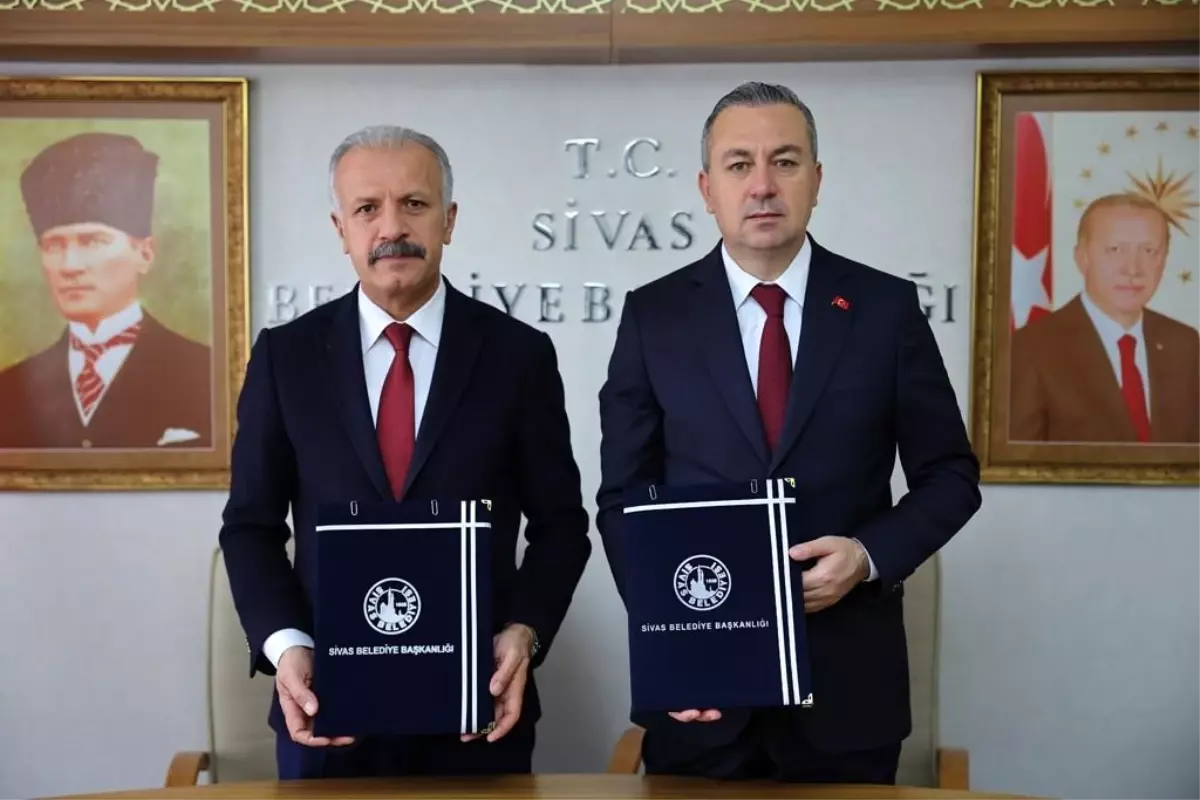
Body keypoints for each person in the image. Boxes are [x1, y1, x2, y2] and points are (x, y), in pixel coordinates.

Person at [596, 82, 982, 784]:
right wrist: (667, 638)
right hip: (701, 687)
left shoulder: (885, 309)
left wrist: (867, 555)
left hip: (848, 697)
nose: (763, 185)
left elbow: (951, 475)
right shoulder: (654, 317)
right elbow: (624, 499)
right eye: (739, 164)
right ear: (707, 188)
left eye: (785, 161)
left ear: (817, 180)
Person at [218, 124, 591, 780]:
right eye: (367, 208)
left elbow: (561, 525)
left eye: (414, 204)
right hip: (327, 711)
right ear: (341, 229)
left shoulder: (519, 356)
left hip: (477, 713)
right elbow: (250, 527)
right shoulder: (286, 358)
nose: (392, 227)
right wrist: (286, 646)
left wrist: (524, 631)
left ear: (449, 219)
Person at [0, 131, 212, 450]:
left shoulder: (206, 372)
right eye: (54, 245)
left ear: (144, 254)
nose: (70, 265)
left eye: (93, 242)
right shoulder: (9, 389)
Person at [1010, 192, 1200, 443]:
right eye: (1115, 250)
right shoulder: (1030, 349)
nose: (1132, 269)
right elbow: (1019, 463)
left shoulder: (1185, 343)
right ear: (1082, 258)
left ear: (1164, 260)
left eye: (1149, 250)